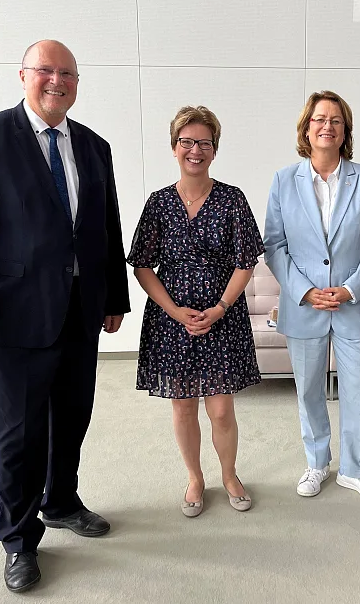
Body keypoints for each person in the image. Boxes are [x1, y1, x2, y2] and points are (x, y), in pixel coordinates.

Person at [0, 40, 130, 591]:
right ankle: (19, 539)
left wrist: (113, 297)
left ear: (77, 82)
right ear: (23, 76)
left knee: (72, 417)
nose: (56, 81)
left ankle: (62, 501)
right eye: (45, 70)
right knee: (20, 433)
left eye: (67, 73)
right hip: (15, 314)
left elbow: (106, 228)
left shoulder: (93, 146)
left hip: (79, 310)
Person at [127, 106, 264, 518]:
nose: (195, 149)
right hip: (172, 322)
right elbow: (143, 266)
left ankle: (229, 474)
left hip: (221, 319)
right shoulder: (158, 204)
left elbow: (246, 262)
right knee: (183, 405)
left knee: (220, 408)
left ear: (214, 149)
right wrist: (174, 311)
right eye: (186, 141)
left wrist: (220, 307)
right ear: (174, 148)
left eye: (204, 142)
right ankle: (195, 477)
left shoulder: (232, 199)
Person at [264, 91, 360, 502]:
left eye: (336, 120)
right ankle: (317, 463)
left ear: (345, 131)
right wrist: (304, 291)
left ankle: (355, 470)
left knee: (359, 392)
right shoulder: (285, 180)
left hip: (353, 305)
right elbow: (274, 245)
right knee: (308, 391)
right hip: (305, 307)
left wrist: (352, 287)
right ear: (306, 128)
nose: (327, 126)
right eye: (319, 119)